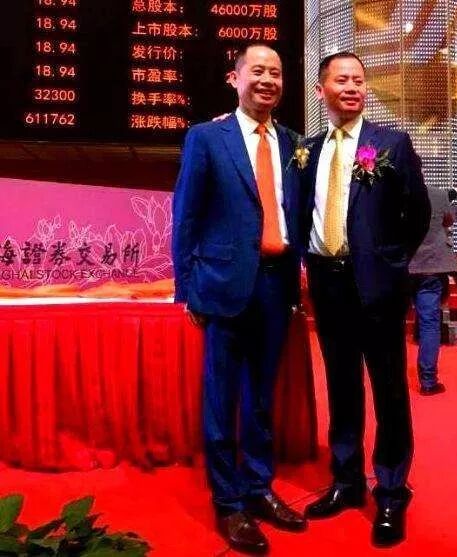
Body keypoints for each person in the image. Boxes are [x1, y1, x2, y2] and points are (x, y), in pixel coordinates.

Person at [172, 43, 306, 555]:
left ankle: (258, 487)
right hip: (221, 286)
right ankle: (228, 501)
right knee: (221, 397)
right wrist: (187, 288)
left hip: (276, 285)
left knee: (262, 397)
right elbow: (186, 215)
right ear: (235, 78)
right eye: (258, 71)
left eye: (276, 73)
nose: (268, 80)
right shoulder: (207, 137)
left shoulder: (293, 143)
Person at [301, 52, 431, 547]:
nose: (353, 87)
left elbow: (417, 213)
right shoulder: (308, 150)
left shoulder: (391, 144)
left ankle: (392, 491)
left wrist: (390, 261)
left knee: (389, 389)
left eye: (359, 80)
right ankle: (347, 481)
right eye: (342, 80)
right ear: (322, 89)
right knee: (341, 386)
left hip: (377, 286)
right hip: (327, 284)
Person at [408, 186, 457, 395]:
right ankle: (428, 382)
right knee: (429, 324)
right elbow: (449, 221)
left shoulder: (392, 193)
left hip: (401, 266)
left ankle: (390, 382)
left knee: (390, 324)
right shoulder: (438, 194)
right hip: (431, 266)